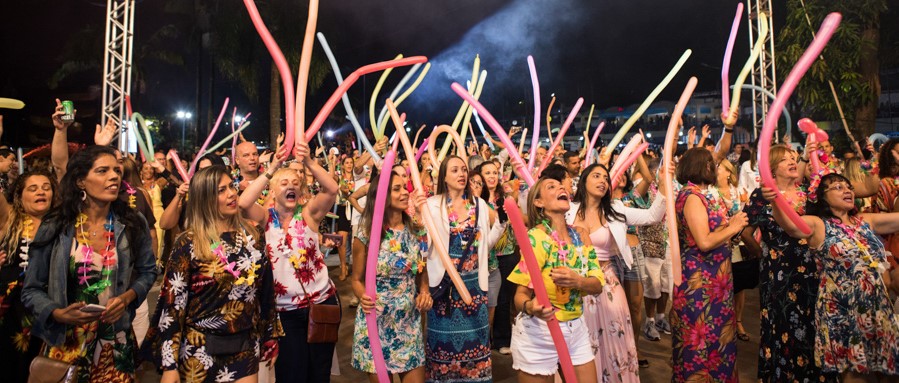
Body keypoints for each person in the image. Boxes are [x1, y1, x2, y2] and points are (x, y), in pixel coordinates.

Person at [23, 145, 157, 382]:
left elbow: (148, 272)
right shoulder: (57, 225)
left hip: (115, 343)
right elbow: (31, 289)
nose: (114, 176)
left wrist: (127, 298)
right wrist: (57, 313)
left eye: (116, 170)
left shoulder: (132, 222)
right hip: (65, 344)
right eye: (103, 171)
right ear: (81, 182)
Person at [143, 165, 280, 383]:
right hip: (199, 350)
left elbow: (266, 291)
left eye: (232, 187)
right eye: (221, 190)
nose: (232, 193)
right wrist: (169, 364)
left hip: (245, 345)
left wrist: (270, 334)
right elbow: (173, 305)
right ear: (204, 198)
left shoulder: (253, 236)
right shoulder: (188, 242)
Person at [766, 172, 899, 382]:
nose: (847, 190)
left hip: (876, 306)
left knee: (890, 370)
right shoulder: (819, 225)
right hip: (844, 311)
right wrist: (774, 200)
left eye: (848, 186)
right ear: (822, 197)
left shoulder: (865, 221)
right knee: (856, 374)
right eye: (838, 187)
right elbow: (791, 225)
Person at [238, 141, 339, 382]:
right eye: (284, 184)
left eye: (295, 183)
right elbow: (243, 204)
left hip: (321, 305)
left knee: (319, 375)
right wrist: (271, 170)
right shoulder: (265, 218)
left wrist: (309, 163)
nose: (290, 186)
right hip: (285, 313)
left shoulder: (308, 214)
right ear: (273, 192)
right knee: (291, 375)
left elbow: (332, 189)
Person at [572, 163, 666, 382]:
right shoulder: (568, 210)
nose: (603, 181)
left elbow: (652, 216)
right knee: (583, 341)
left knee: (613, 340)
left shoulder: (616, 209)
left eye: (606, 177)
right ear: (584, 180)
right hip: (577, 286)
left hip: (607, 285)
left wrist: (662, 185)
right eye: (596, 176)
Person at [507, 176, 602, 382]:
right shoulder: (536, 238)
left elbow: (597, 285)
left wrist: (578, 282)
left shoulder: (581, 235)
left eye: (560, 185)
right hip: (539, 333)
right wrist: (532, 307)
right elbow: (520, 296)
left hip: (576, 327)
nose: (560, 186)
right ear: (539, 203)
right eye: (551, 186)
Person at [350, 165, 432, 382]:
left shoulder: (417, 230)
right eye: (397, 189)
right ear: (382, 196)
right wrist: (362, 296)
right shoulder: (367, 233)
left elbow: (422, 271)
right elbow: (356, 279)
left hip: (409, 321)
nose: (405, 192)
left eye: (404, 188)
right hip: (376, 320)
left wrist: (424, 291)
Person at [671, 147, 747, 382]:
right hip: (700, 283)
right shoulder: (691, 196)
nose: (714, 168)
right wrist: (733, 227)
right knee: (702, 345)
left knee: (718, 343)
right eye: (709, 164)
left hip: (716, 282)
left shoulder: (704, 194)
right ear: (698, 166)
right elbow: (703, 241)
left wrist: (731, 229)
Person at [424, 155, 501, 382]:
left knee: (476, 347)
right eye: (455, 170)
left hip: (474, 287)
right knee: (442, 349)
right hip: (444, 288)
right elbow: (424, 245)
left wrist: (502, 223)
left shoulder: (479, 205)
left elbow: (487, 242)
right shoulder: (431, 204)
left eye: (464, 170)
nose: (461, 174)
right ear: (444, 177)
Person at [0, 170, 56, 382]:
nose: (40, 192)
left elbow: (61, 168)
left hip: (49, 309)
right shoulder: (9, 219)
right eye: (32, 188)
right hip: (11, 312)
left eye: (46, 187)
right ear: (19, 196)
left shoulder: (62, 224)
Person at [473, 161, 517, 356]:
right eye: (487, 173)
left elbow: (514, 222)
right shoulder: (475, 200)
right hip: (483, 257)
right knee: (483, 300)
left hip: (505, 253)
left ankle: (501, 339)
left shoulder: (504, 198)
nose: (491, 176)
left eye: (494, 172)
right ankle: (482, 340)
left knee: (503, 299)